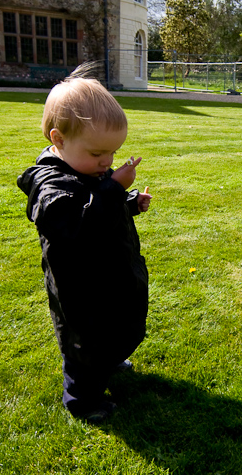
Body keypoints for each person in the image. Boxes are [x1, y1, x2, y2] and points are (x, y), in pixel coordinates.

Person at [17, 64, 153, 423]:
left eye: (112, 154)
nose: (107, 163)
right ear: (59, 139)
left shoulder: (89, 170)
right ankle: (83, 399)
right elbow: (76, 225)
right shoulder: (51, 185)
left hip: (112, 275)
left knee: (120, 324)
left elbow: (101, 213)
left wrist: (127, 202)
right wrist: (112, 190)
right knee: (85, 343)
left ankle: (110, 357)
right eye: (98, 154)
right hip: (81, 289)